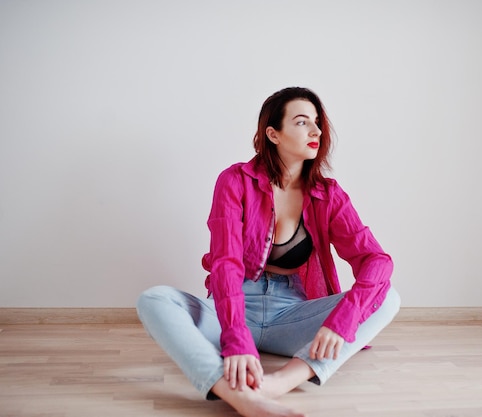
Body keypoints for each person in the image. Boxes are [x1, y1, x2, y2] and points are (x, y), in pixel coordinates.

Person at [137, 87, 401, 417]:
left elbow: (374, 260)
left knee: (387, 298)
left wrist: (342, 321)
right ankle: (236, 394)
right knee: (154, 300)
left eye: (317, 122)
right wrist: (235, 338)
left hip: (290, 314)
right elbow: (226, 264)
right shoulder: (235, 181)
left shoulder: (328, 195)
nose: (316, 131)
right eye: (303, 122)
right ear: (272, 134)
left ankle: (279, 384)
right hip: (233, 307)